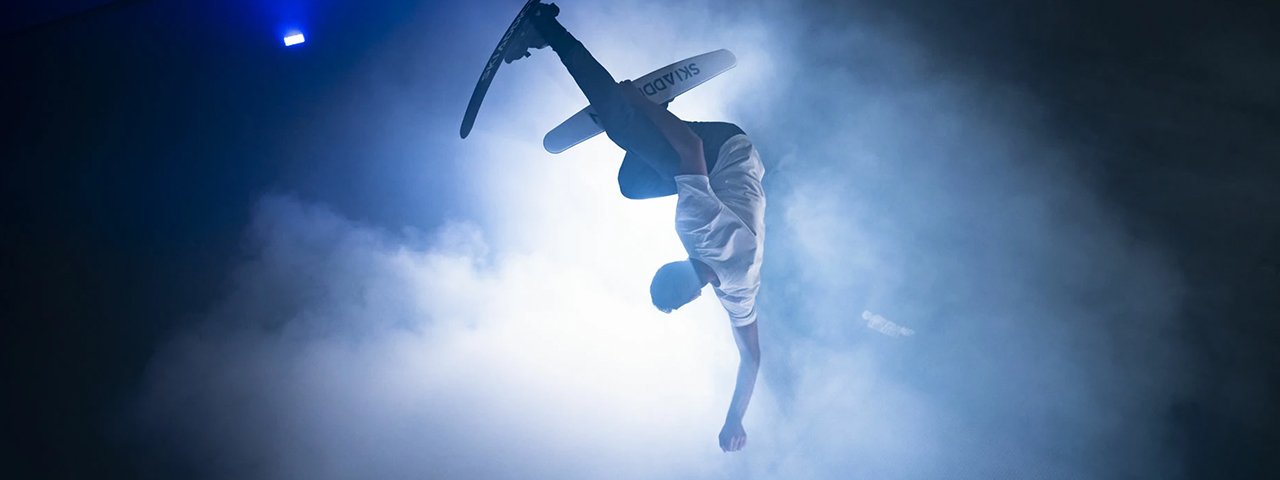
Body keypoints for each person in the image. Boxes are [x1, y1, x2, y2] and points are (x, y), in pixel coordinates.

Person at [507, 3, 764, 453]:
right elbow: (689, 145)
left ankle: (643, 115)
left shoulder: (737, 289)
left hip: (736, 171)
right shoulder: (698, 226)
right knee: (622, 128)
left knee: (633, 183)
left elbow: (752, 358)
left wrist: (734, 417)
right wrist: (639, 101)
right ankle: (546, 27)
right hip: (724, 148)